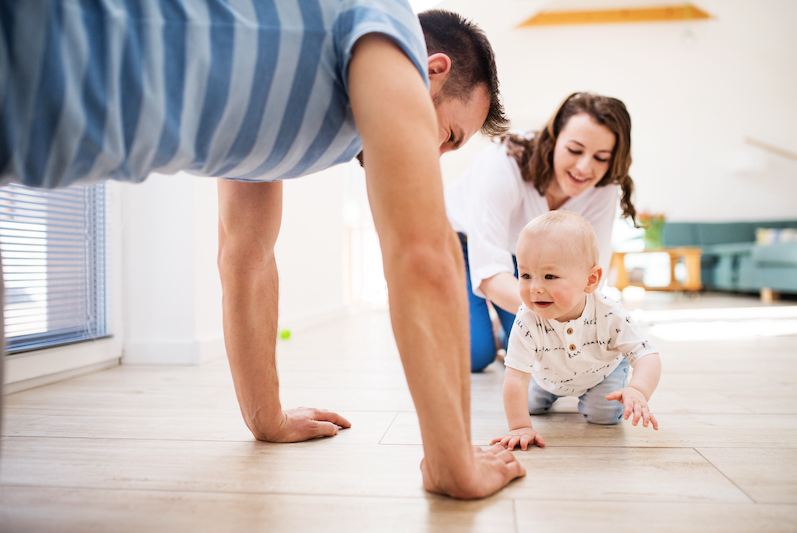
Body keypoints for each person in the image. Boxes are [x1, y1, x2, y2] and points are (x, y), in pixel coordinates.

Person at [0, 2, 524, 499]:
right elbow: (422, 255)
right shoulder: (386, 31)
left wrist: (267, 418)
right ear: (428, 68)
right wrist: (452, 463)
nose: (433, 156)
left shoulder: (278, 117)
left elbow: (245, 252)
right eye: (449, 136)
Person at [445, 92, 638, 372]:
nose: (585, 168)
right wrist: (556, 319)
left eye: (601, 157)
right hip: (458, 243)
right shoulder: (504, 161)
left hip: (527, 262)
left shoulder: (604, 188)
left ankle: (502, 328)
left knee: (541, 348)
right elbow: (488, 270)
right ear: (554, 137)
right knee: (477, 354)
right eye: (574, 150)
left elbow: (591, 276)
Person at [491, 211, 661, 450]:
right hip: (547, 376)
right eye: (526, 275)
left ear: (590, 280)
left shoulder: (609, 313)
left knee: (605, 416)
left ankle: (590, 396)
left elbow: (647, 354)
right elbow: (516, 378)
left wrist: (638, 389)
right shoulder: (526, 319)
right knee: (527, 405)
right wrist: (520, 427)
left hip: (601, 373)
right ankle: (503, 338)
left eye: (550, 276)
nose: (535, 288)